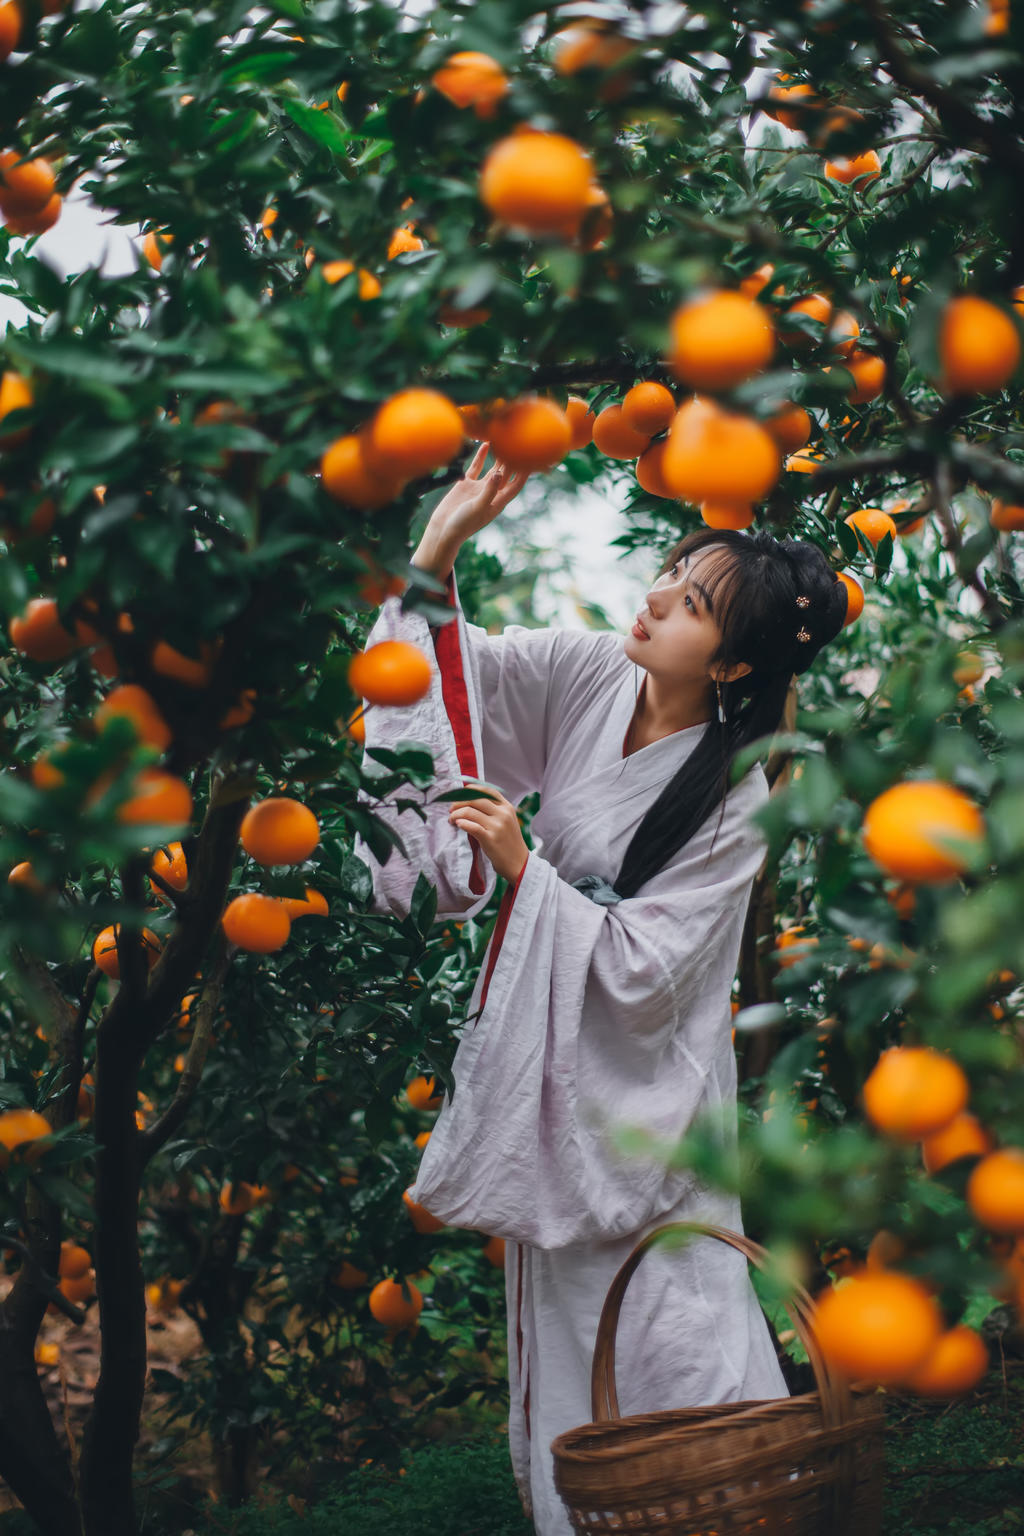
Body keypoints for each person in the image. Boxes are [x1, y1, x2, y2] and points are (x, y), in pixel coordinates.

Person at [354, 443, 849, 1535]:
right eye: (670, 578)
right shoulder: (591, 673)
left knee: (671, 1311)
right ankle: (594, 1513)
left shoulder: (735, 798)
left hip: (648, 1099)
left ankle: (724, 1500)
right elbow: (451, 680)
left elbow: (648, 968)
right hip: (555, 1076)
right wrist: (437, 551)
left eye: (690, 604)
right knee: (576, 1329)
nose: (656, 598)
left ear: (730, 666)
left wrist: (527, 873)